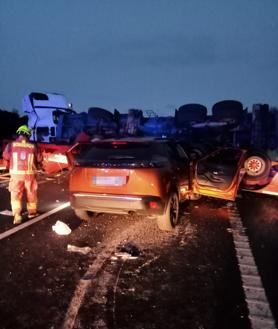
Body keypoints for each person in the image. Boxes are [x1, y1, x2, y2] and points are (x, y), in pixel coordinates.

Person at [2, 125, 42, 224]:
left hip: (16, 176)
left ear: (19, 133)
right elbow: (40, 159)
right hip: (30, 176)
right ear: (28, 135)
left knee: (15, 195)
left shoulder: (11, 145)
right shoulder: (34, 146)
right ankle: (32, 213)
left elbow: (5, 156)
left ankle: (17, 216)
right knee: (31, 194)